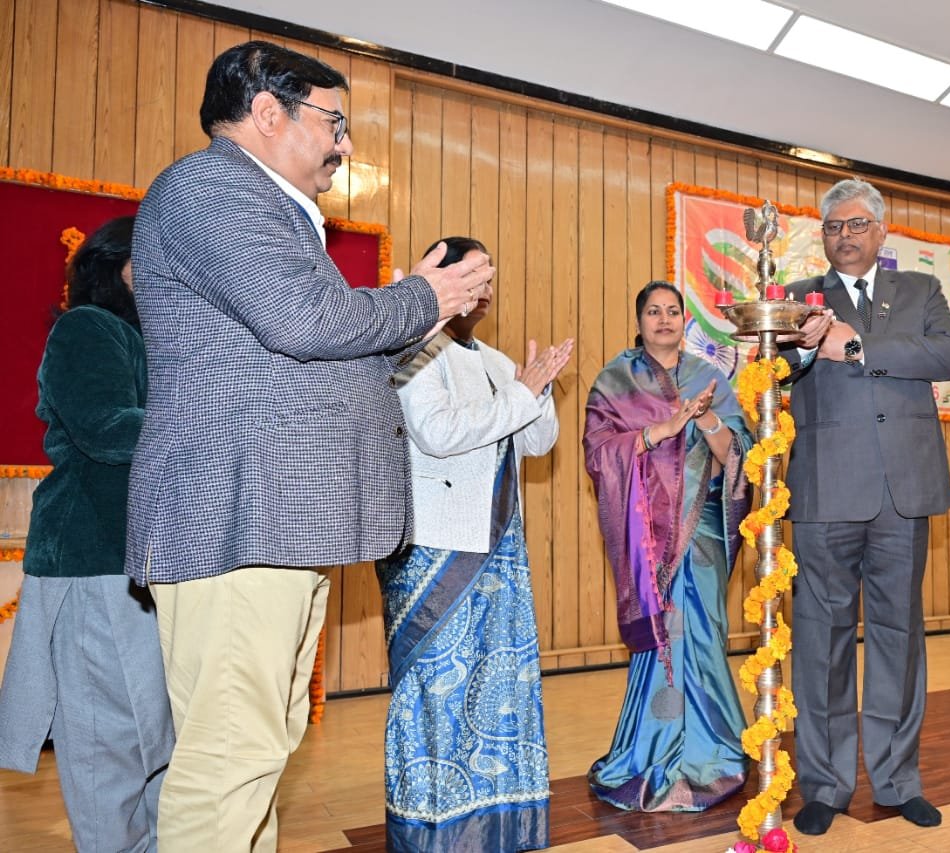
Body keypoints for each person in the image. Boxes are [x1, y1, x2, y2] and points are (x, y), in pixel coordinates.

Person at [125, 42, 492, 850]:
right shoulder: (210, 186)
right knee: (231, 758)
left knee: (258, 748)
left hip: (271, 524)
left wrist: (426, 310)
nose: (345, 144)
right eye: (334, 122)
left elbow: (329, 352)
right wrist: (418, 295)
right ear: (267, 113)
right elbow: (306, 322)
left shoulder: (269, 210)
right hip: (237, 518)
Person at [780, 177, 950, 835]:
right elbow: (774, 371)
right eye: (833, 226)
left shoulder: (920, 290)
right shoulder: (799, 297)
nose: (845, 235)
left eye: (857, 223)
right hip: (825, 489)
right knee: (820, 639)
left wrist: (855, 346)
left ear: (881, 231)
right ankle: (825, 785)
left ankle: (897, 779)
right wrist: (804, 345)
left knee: (898, 636)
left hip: (903, 490)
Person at [376, 237, 573, 852]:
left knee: (499, 685)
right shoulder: (414, 350)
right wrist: (520, 394)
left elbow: (536, 442)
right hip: (437, 550)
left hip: (500, 548)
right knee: (436, 692)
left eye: (490, 279)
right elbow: (437, 434)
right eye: (473, 276)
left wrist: (537, 390)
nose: (484, 291)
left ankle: (496, 824)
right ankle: (433, 830)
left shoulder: (493, 358)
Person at [0, 217, 174, 852]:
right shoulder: (87, 327)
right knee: (108, 741)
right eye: (153, 259)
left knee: (158, 736)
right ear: (111, 264)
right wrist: (207, 423)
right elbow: (106, 427)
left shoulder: (154, 338)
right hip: (94, 555)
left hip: (145, 559)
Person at [583, 280, 754, 812]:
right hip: (647, 537)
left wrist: (705, 418)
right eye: (653, 311)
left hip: (700, 534)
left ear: (685, 321)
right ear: (639, 322)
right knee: (664, 638)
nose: (664, 319)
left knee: (701, 635)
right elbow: (598, 454)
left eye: (673, 311)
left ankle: (712, 751)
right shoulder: (615, 380)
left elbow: (740, 460)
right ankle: (652, 750)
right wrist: (659, 431)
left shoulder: (709, 378)